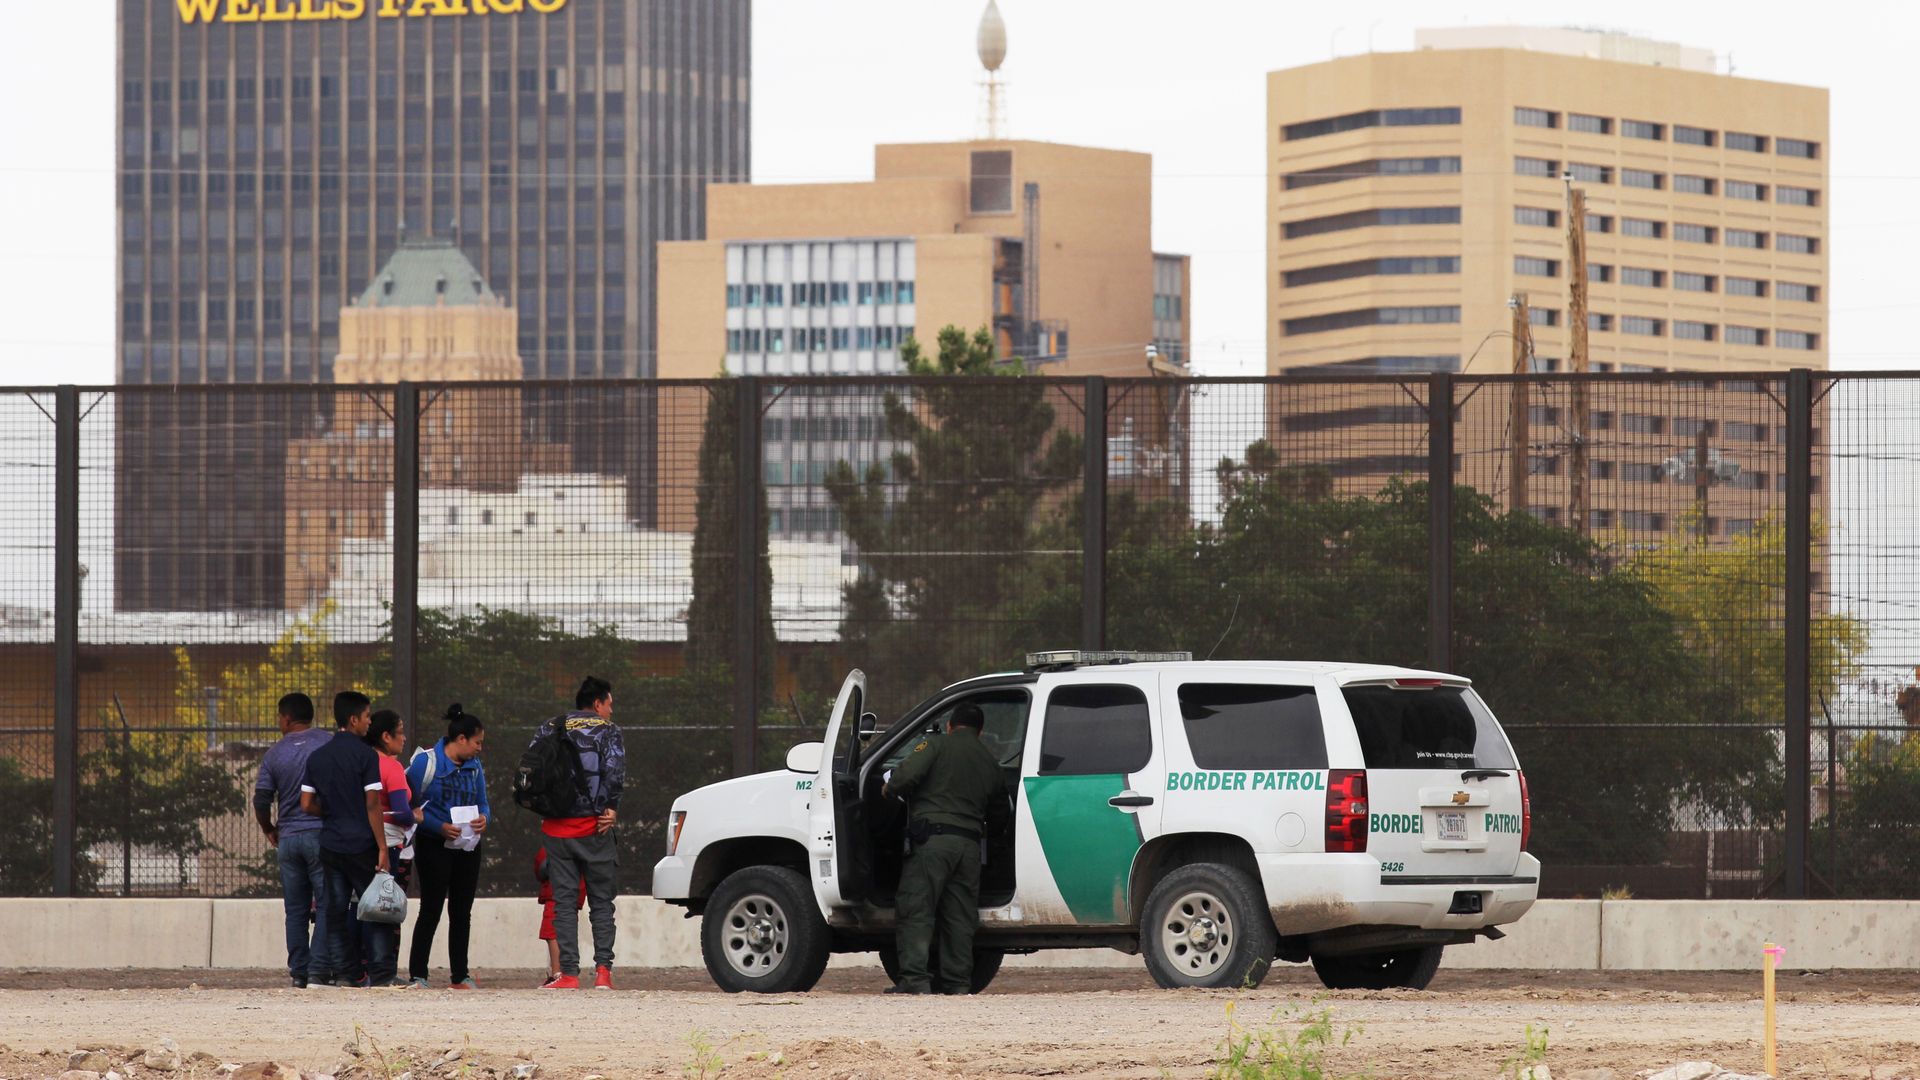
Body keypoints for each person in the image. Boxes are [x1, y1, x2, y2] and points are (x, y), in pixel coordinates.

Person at [881, 701, 1011, 995]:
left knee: (917, 908)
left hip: (932, 843)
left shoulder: (935, 744)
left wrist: (889, 788)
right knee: (960, 916)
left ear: (950, 725)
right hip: (969, 847)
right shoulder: (989, 761)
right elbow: (1000, 812)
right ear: (980, 731)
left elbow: (904, 777)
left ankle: (915, 979)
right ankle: (958, 983)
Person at [297, 690, 394, 987]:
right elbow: (373, 803)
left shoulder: (318, 757)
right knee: (376, 909)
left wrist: (330, 812)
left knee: (335, 911)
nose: (369, 722)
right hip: (362, 844)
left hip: (331, 844)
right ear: (353, 720)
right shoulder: (366, 756)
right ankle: (381, 974)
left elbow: (306, 804)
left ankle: (344, 974)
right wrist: (382, 847)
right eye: (366, 717)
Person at [535, 676, 625, 991]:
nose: (611, 711)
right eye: (609, 704)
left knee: (563, 902)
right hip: (595, 827)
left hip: (556, 830)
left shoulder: (550, 727)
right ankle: (603, 973)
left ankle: (569, 974)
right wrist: (611, 808)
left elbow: (533, 772)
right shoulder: (608, 731)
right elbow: (614, 772)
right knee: (601, 902)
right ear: (598, 703)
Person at [404, 703, 490, 990]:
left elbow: (483, 803)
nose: (480, 748)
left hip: (467, 846)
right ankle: (418, 974)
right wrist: (438, 826)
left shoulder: (475, 768)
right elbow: (409, 807)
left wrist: (484, 819)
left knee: (462, 911)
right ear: (461, 739)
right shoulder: (425, 763)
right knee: (431, 908)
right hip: (434, 845)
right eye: (477, 742)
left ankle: (460, 975)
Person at [252, 692, 331, 988]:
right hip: (322, 834)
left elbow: (261, 799)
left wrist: (269, 828)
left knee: (295, 909)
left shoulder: (274, 754)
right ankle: (319, 970)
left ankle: (299, 971)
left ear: (286, 718)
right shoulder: (327, 742)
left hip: (288, 838)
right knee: (326, 903)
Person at [363, 709, 416, 982]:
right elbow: (402, 812)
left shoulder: (361, 761)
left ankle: (357, 970)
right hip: (390, 843)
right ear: (386, 736)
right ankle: (383, 971)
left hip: (360, 840)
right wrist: (416, 816)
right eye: (400, 732)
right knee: (384, 908)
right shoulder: (391, 767)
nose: (404, 738)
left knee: (359, 904)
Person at [534, 847, 586, 988]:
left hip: (556, 893)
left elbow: (541, 867)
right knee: (565, 930)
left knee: (552, 932)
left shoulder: (554, 844)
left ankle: (558, 973)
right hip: (573, 892)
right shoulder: (582, 846)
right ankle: (565, 971)